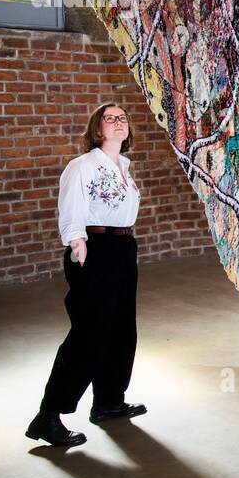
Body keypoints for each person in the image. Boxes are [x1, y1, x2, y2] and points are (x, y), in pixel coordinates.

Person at [25, 103, 148, 447]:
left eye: (123, 118)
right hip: (95, 249)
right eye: (110, 118)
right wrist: (76, 242)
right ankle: (48, 415)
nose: (119, 122)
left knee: (122, 329)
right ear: (97, 129)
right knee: (90, 333)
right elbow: (71, 208)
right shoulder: (82, 166)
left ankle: (108, 401)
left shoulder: (123, 166)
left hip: (122, 248)